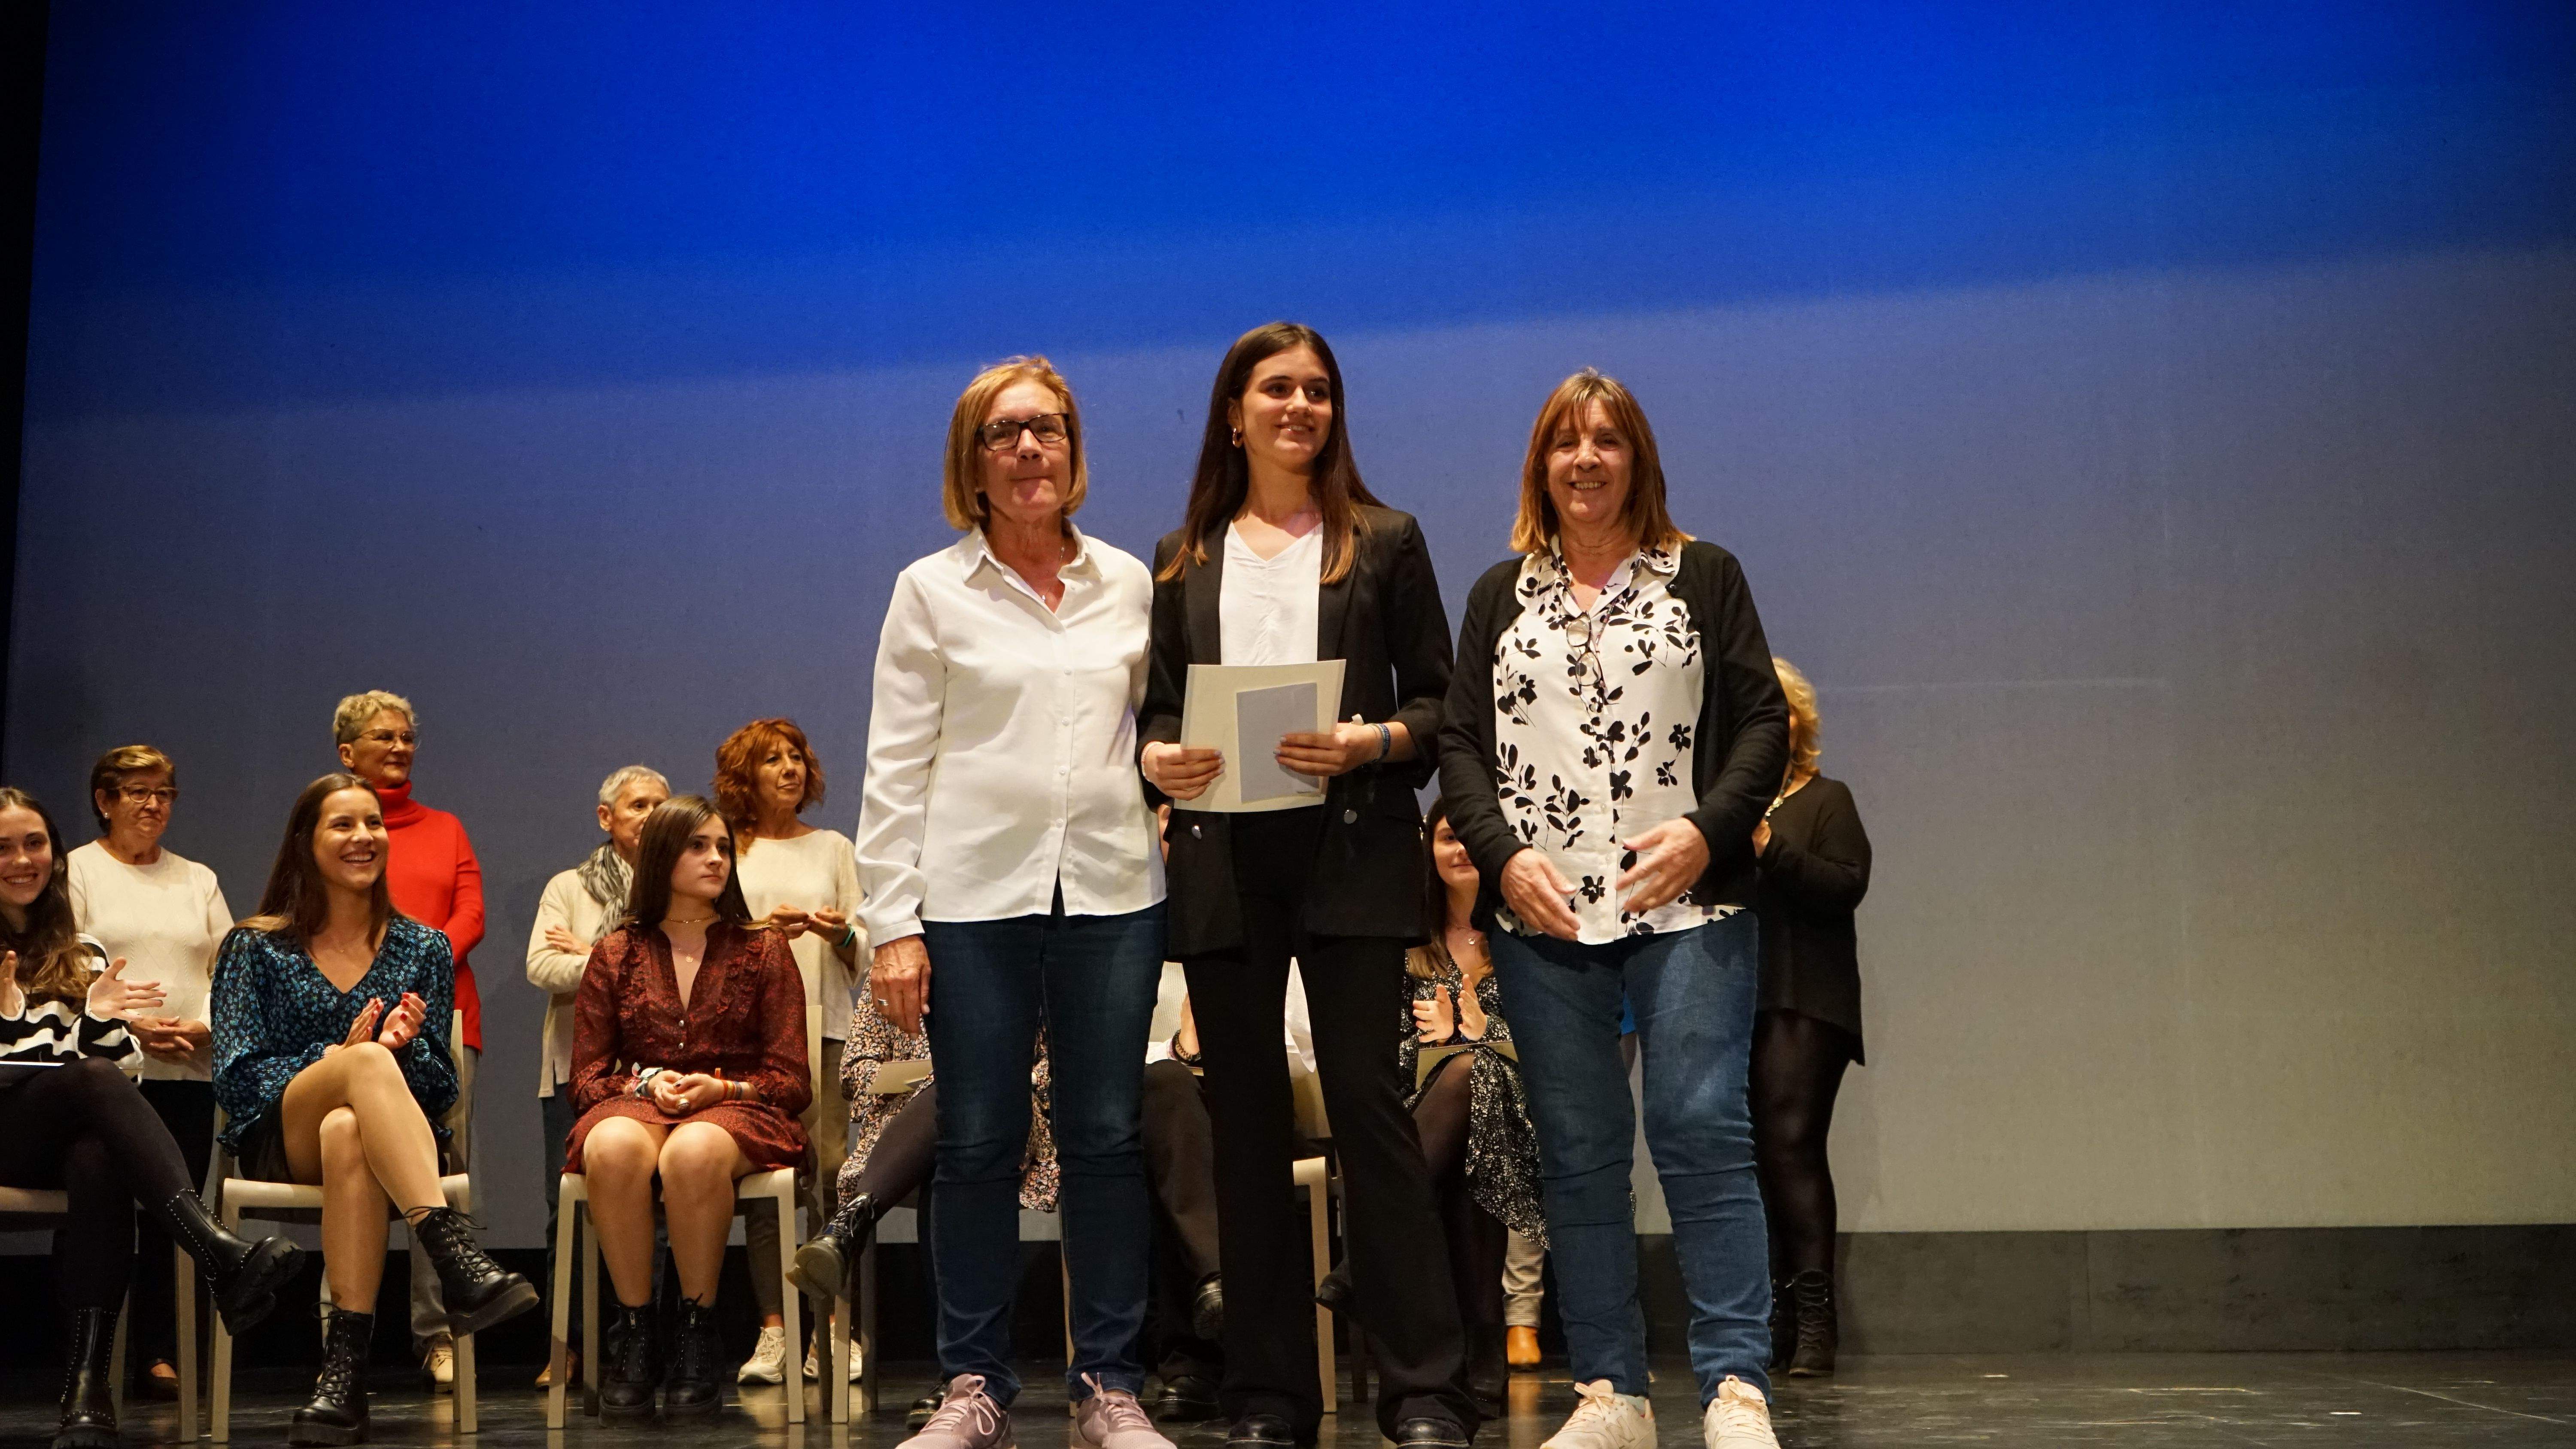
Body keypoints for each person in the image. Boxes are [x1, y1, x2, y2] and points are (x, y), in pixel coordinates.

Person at [1437, 369, 1792, 1449]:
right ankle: (1613, 1394)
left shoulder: (1705, 575)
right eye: (1564, 443)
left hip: (1685, 906)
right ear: (1540, 465)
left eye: (1606, 441)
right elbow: (1461, 745)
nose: (1585, 460)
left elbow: (1763, 725)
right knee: (1581, 1151)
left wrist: (1705, 834)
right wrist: (1500, 861)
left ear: (1638, 458)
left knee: (1698, 1130)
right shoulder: (1501, 594)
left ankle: (1735, 1387)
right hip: (1545, 919)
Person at [1139, 321, 1471, 1449]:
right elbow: (1160, 713)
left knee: (1372, 1117)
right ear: (1234, 414)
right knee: (1245, 1124)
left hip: (1352, 853)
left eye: (1319, 391)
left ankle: (1423, 1388)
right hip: (1227, 862)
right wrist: (1160, 757)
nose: (1300, 407)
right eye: (1276, 389)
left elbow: (1440, 711)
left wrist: (1373, 740)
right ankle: (1268, 1393)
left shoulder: (1384, 541)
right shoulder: (1183, 555)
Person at [856, 355, 1172, 1449]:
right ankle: (972, 1387)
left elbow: (1160, 736)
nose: (1029, 448)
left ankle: (1108, 1388)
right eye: (1004, 433)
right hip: (971, 899)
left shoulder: (1134, 583)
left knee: (1103, 1139)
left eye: (1047, 428)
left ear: (1076, 450)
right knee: (980, 1140)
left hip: (1113, 892)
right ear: (972, 463)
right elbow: (894, 768)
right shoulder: (929, 590)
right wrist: (890, 921)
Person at [211, 773, 535, 1446]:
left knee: (350, 1127)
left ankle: (343, 1378)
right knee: (356, 1071)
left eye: (374, 825)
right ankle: (454, 1253)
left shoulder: (423, 948)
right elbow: (238, 1078)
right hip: (280, 1133)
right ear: (305, 841)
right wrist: (339, 1059)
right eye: (343, 825)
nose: (364, 838)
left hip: (380, 1142)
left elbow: (442, 1088)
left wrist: (401, 1051)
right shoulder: (256, 946)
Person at [0, 786, 303, 1449]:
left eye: (34, 843)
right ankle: (217, 1248)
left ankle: (87, 1391)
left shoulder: (82, 952)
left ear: (54, 853)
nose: (23, 860)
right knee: (89, 1082)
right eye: (4, 847)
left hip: (50, 1134)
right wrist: (13, 1019)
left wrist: (102, 1021)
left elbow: (118, 1070)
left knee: (98, 1157)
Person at [565, 794, 811, 1422]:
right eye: (697, 846)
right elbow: (589, 1078)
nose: (716, 859)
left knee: (694, 1150)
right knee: (611, 1145)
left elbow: (790, 1080)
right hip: (641, 1104)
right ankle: (637, 1332)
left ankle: (698, 1333)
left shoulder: (763, 949)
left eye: (723, 847)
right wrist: (645, 1086)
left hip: (737, 1108)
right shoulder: (616, 951)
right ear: (659, 857)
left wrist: (722, 1090)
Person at [1325, 797, 1547, 1410]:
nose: (1463, 851)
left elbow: (1557, 1048)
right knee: (1468, 1112)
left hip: (1524, 1115)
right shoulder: (1404, 941)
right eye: (1450, 837)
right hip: (1422, 1109)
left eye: (1475, 839)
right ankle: (1481, 1358)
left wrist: (1483, 1033)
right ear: (1429, 847)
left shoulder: (1524, 936)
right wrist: (1443, 1043)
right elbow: (1384, 1053)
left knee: (1479, 1082)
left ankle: (1363, 1262)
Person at [790, 985, 1061, 1428]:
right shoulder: (897, 971)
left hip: (1007, 1125)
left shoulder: (1022, 954)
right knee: (946, 1150)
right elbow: (855, 1071)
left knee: (958, 1102)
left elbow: (1055, 1065)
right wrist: (922, 1076)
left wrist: (981, 1077)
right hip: (909, 1136)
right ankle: (960, 1375)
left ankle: (849, 1225)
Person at [64, 745, 237, 1399]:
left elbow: (230, 966)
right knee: (102, 1210)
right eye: (137, 792)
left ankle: (160, 1353)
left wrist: (204, 1026)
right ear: (104, 801)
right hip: (110, 1072)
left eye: (163, 792)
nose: (153, 804)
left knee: (177, 1214)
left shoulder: (198, 879)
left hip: (188, 1068)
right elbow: (66, 964)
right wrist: (129, 1027)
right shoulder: (77, 871)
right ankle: (92, 1353)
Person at [331, 688, 486, 1389]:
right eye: (382, 738)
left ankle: (438, 1336)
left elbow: (470, 915)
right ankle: (339, 1330)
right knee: (345, 1157)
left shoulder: (446, 827)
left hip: (439, 1020)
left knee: (436, 1167)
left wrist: (410, 975)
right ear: (347, 753)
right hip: (347, 1020)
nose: (398, 748)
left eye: (406, 738)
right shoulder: (329, 829)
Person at [717, 717, 864, 1385]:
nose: (790, 769)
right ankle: (774, 1329)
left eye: (797, 757)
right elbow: (710, 946)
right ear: (744, 777)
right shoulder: (729, 852)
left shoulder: (834, 847)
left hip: (825, 1023)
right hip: (753, 1038)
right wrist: (756, 935)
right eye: (773, 759)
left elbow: (867, 945)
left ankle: (835, 1329)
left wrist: (837, 935)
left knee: (833, 1170)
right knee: (769, 1178)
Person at [522, 763, 669, 1388]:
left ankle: (641, 1344)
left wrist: (594, 955)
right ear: (606, 818)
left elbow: (680, 976)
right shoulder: (569, 887)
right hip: (574, 1067)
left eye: (661, 805)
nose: (652, 815)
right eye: (639, 805)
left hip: (657, 1070)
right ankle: (570, 1348)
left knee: (654, 1208)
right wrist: (619, 963)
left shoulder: (680, 886)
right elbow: (540, 967)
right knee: (567, 1212)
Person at [1748, 657, 1872, 1379]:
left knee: (1791, 1145)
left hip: (1807, 998)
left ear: (1798, 721)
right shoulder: (1724, 809)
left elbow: (1845, 884)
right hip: (1742, 1001)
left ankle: (1817, 1322)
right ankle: (1782, 1316)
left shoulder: (1827, 798)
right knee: (1761, 1159)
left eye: (1781, 707)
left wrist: (1769, 848)